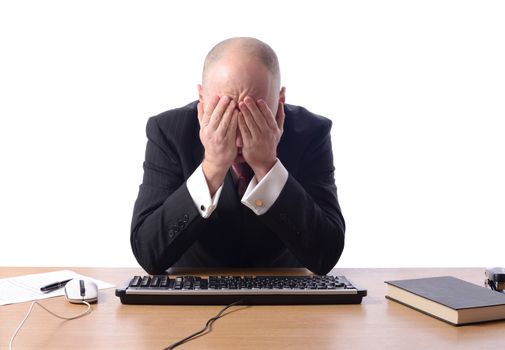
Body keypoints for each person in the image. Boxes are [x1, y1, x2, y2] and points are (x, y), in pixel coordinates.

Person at [130, 37, 345, 275]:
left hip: (285, 297)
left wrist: (267, 166)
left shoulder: (311, 133)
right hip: (193, 297)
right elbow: (148, 254)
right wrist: (212, 167)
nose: (240, 140)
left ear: (280, 101)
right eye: (225, 113)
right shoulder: (169, 132)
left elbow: (326, 255)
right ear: (202, 98)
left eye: (256, 115)